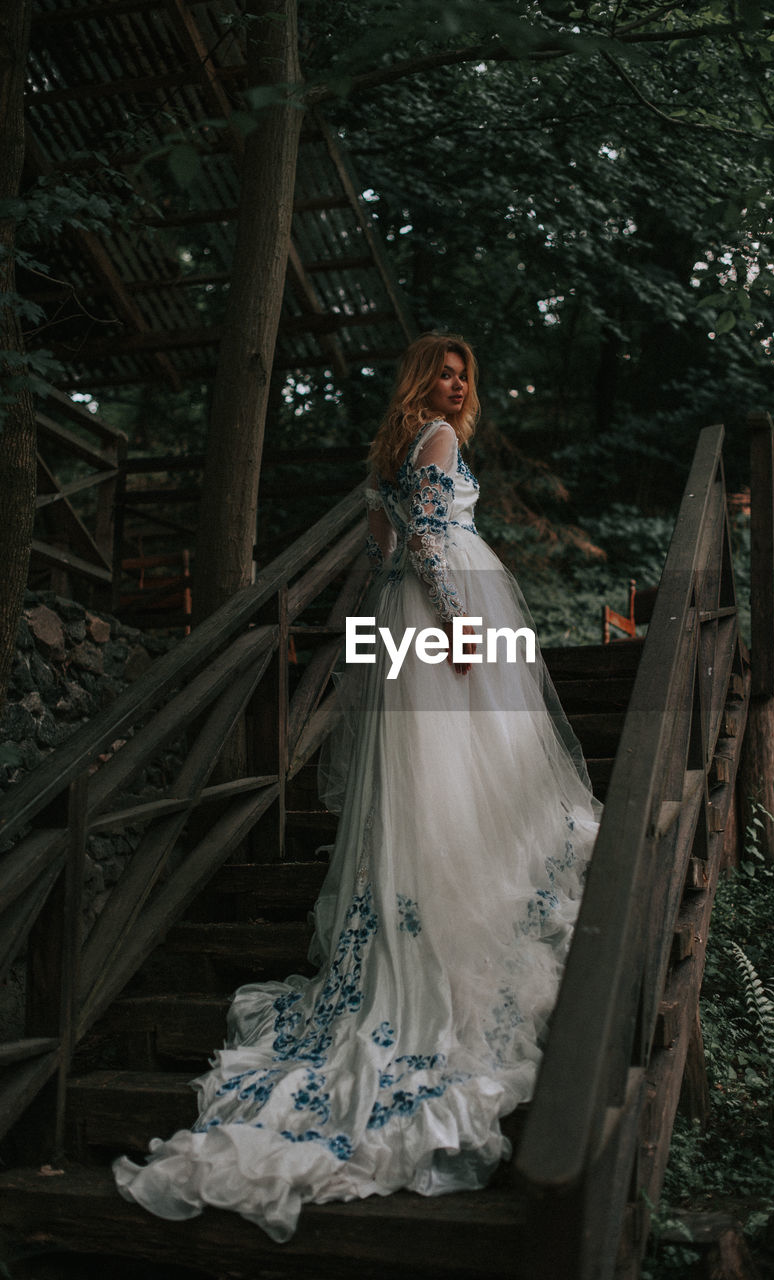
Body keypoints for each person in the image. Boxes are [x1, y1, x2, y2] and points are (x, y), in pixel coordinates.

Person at [113, 333, 601, 1241]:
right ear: (422, 381)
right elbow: (420, 538)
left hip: (412, 614)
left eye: (465, 376)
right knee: (463, 771)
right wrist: (457, 626)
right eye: (444, 373)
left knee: (443, 776)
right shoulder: (440, 444)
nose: (457, 387)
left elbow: (384, 547)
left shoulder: (392, 455)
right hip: (446, 607)